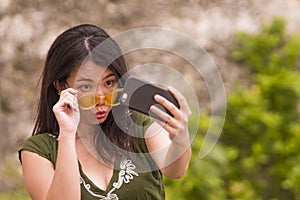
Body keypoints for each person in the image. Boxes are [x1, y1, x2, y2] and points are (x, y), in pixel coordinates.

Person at [18, 24, 192, 200]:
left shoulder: (137, 124)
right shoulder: (38, 151)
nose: (101, 98)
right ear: (61, 86)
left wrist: (180, 137)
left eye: (109, 83)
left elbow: (175, 170)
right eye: (86, 86)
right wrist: (68, 135)